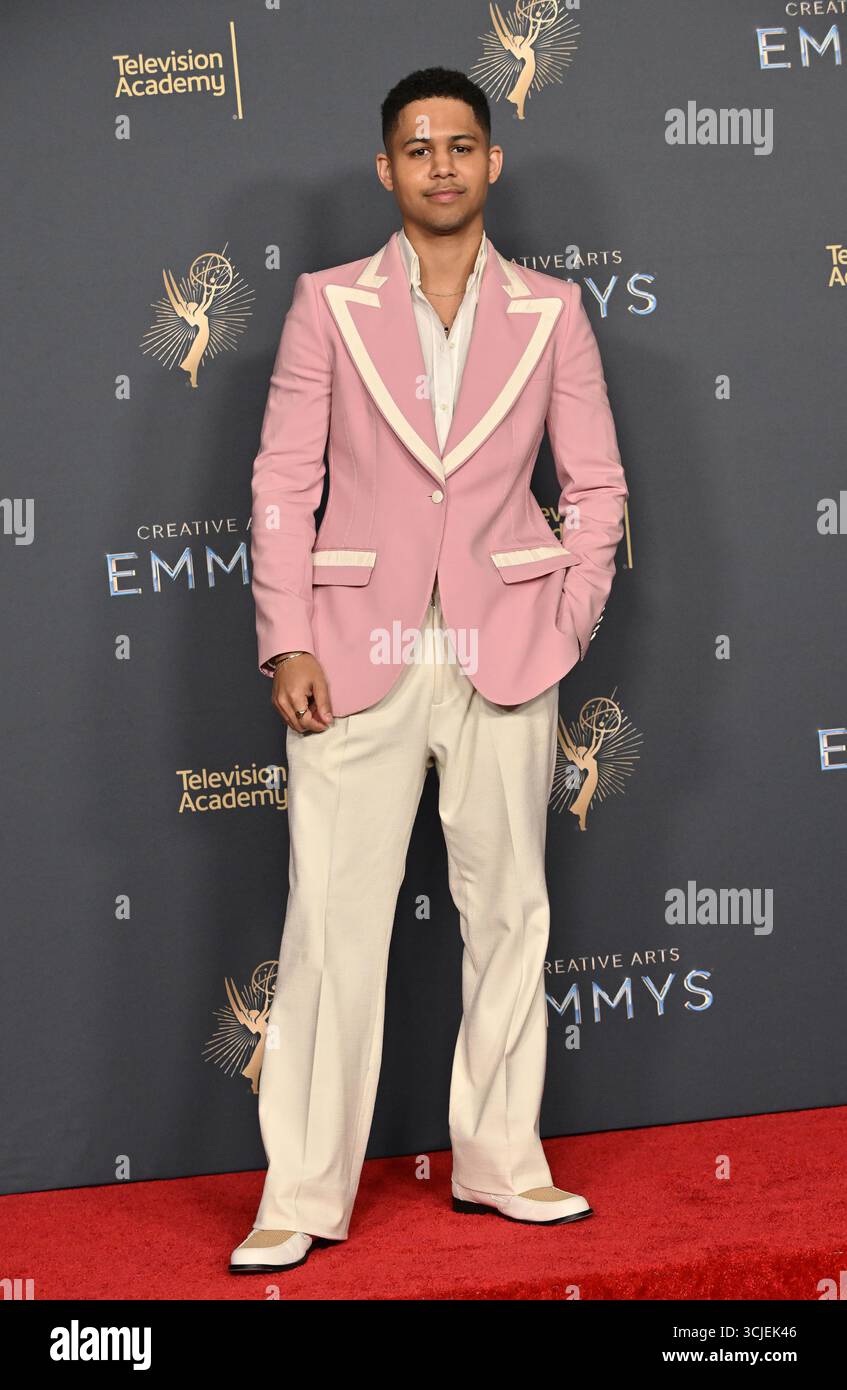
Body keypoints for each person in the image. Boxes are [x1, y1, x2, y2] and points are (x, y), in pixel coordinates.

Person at [230, 66, 628, 1274]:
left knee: (509, 914)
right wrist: (286, 634)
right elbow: (283, 483)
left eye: (462, 144)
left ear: (492, 161)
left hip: (506, 647)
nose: (442, 165)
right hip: (354, 653)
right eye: (419, 147)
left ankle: (503, 1162)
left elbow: (597, 486)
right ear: (386, 168)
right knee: (329, 925)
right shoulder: (327, 305)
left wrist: (566, 621)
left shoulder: (553, 310)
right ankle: (299, 1194)